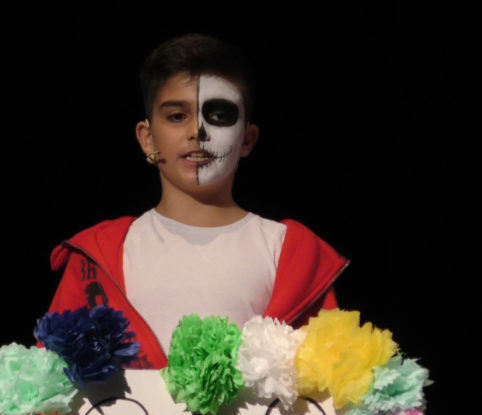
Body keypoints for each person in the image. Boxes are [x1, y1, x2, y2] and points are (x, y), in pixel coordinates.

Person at [44, 34, 348, 369]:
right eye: (177, 116)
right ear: (147, 138)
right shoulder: (97, 255)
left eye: (219, 115)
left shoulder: (291, 253)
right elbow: (52, 378)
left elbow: (328, 382)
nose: (197, 131)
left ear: (247, 139)